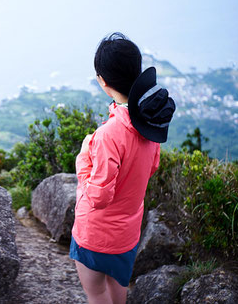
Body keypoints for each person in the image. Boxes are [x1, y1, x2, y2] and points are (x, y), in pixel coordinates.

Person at [69, 32, 176, 304]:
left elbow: (98, 197)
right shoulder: (150, 124)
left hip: (95, 236)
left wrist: (83, 159)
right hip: (127, 234)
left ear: (102, 82)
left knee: (96, 294)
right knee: (119, 292)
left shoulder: (108, 135)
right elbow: (152, 167)